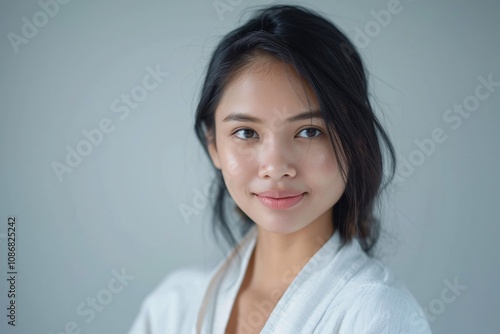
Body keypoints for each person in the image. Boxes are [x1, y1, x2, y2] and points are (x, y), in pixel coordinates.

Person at [128, 4, 431, 334]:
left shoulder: (376, 314)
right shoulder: (172, 307)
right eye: (246, 133)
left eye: (309, 131)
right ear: (214, 145)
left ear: (355, 142)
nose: (275, 168)